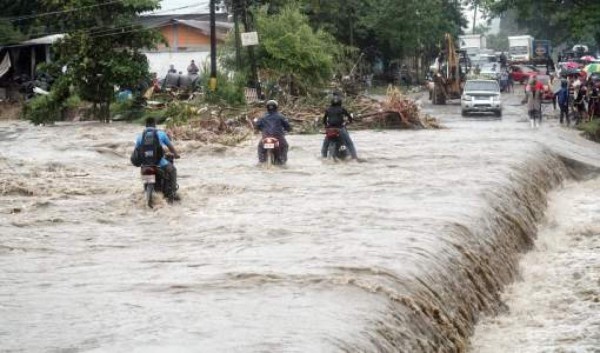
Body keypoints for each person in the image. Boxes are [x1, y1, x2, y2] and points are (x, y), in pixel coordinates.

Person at [135, 117, 181, 201]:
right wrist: (176, 155)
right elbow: (171, 147)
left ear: (146, 125)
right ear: (154, 125)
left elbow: (136, 151)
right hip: (159, 162)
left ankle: (146, 193)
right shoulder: (161, 134)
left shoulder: (140, 136)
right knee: (173, 170)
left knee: (146, 180)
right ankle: (173, 193)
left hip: (145, 164)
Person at [321, 94, 358, 160]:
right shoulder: (342, 109)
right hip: (340, 128)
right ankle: (354, 157)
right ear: (340, 102)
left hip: (330, 129)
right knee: (349, 143)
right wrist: (349, 121)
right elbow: (349, 118)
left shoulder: (328, 110)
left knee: (325, 145)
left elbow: (324, 120)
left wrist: (327, 127)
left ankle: (323, 157)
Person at [255, 100, 291, 164]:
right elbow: (288, 126)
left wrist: (261, 130)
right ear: (276, 107)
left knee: (260, 147)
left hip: (265, 137)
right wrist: (288, 129)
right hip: (278, 137)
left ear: (267, 107)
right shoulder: (281, 116)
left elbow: (257, 126)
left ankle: (262, 161)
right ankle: (282, 161)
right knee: (285, 146)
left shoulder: (262, 117)